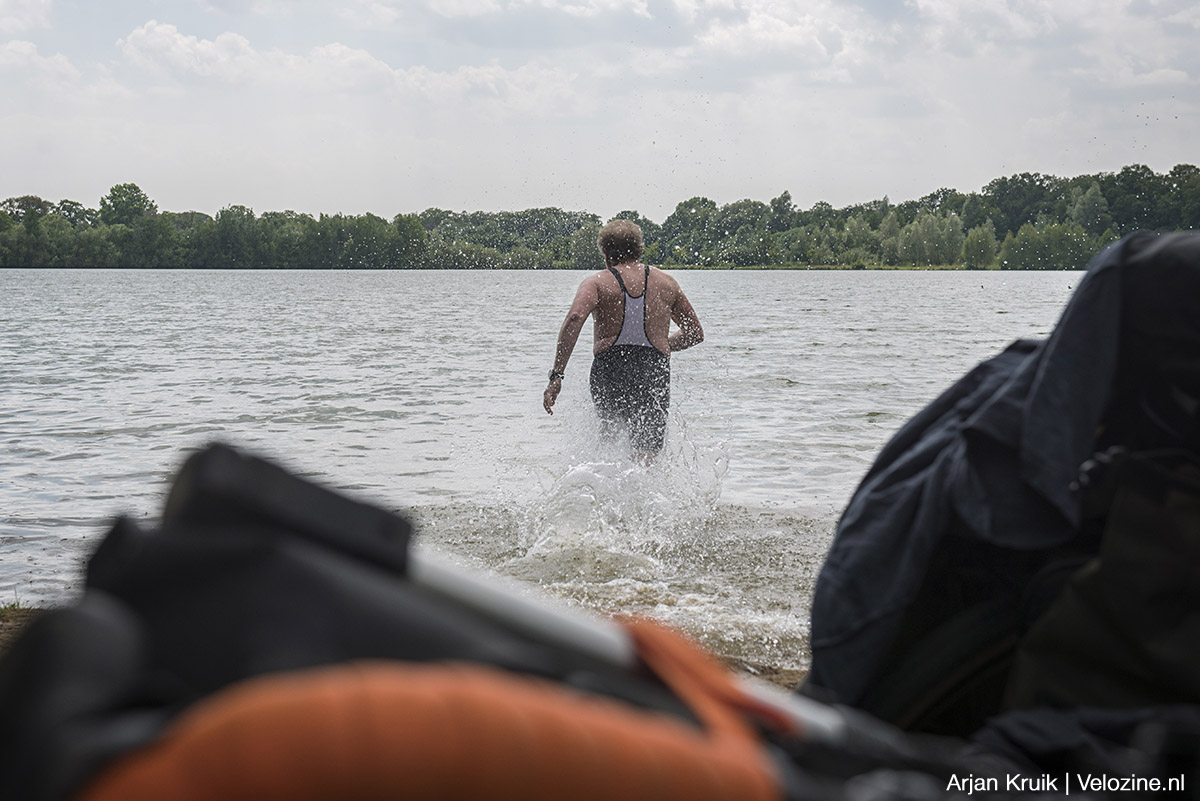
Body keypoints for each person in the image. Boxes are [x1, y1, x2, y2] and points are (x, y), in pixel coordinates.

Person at [543, 219, 704, 461]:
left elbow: (575, 318)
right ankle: (645, 495)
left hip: (610, 367)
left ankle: (600, 490)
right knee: (647, 453)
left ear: (607, 253)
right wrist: (660, 343)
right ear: (640, 249)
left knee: (609, 438)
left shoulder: (597, 282)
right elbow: (694, 333)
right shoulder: (667, 283)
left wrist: (557, 375)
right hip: (653, 367)